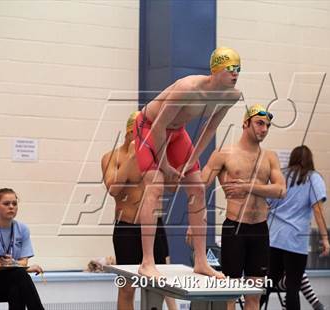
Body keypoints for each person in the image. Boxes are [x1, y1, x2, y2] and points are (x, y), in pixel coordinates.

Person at [134, 46, 242, 278]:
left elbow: (210, 127)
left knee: (197, 188)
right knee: (155, 185)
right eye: (231, 69)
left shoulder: (232, 96)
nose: (236, 74)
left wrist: (191, 160)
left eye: (238, 69)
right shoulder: (188, 88)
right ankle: (147, 262)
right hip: (149, 126)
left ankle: (201, 262)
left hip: (176, 132)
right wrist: (165, 166)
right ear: (215, 71)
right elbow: (158, 126)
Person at [198, 104, 286, 310]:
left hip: (260, 230)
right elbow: (199, 189)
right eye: (259, 123)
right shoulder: (224, 154)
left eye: (267, 125)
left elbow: (281, 190)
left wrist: (248, 186)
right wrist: (195, 226)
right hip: (235, 228)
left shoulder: (269, 157)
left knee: (254, 295)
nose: (264, 129)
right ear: (245, 123)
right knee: (231, 294)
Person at [101, 112, 177, 310]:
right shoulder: (111, 157)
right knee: (126, 287)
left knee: (159, 285)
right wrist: (134, 156)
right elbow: (112, 189)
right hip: (126, 227)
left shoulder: (156, 155)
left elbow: (173, 187)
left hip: (154, 226)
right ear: (129, 133)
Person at [266, 145, 330, 310]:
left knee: (266, 285)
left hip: (273, 238)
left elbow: (266, 206)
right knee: (293, 288)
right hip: (296, 240)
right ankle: (316, 304)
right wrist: (325, 238)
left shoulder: (280, 175)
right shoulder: (314, 178)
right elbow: (317, 209)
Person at [0, 188, 44, 310]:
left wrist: (14, 264)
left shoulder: (23, 229)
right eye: (6, 204)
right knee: (20, 275)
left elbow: (23, 261)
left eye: (14, 204)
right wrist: (25, 268)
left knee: (17, 287)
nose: (11, 207)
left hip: (14, 278)